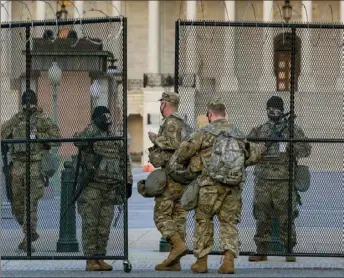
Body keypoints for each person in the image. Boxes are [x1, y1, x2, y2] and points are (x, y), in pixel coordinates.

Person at [176, 97, 266, 274]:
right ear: (225, 114)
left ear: (210, 114)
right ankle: (228, 262)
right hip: (232, 187)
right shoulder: (238, 133)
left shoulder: (203, 133)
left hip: (209, 187)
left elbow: (183, 152)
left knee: (203, 220)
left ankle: (201, 262)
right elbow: (253, 156)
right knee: (229, 223)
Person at [247, 96, 311, 262]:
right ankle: (261, 250)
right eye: (271, 108)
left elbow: (306, 150)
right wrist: (258, 149)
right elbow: (247, 148)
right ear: (267, 109)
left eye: (277, 108)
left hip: (284, 181)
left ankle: (289, 250)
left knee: (286, 217)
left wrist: (291, 144)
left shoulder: (292, 129)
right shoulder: (259, 130)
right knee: (261, 216)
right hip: (263, 181)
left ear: (282, 111)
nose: (273, 111)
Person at [73, 106, 133, 271]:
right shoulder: (90, 136)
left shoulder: (114, 140)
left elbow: (124, 162)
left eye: (107, 117)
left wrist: (128, 183)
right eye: (102, 118)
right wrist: (94, 125)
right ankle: (90, 260)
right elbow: (78, 140)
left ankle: (100, 257)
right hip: (92, 187)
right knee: (90, 224)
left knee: (104, 226)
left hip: (110, 188)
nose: (106, 121)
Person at [0, 89, 61, 252]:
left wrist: (37, 135)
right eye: (25, 102)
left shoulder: (43, 119)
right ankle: (28, 232)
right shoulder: (17, 119)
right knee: (17, 205)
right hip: (18, 165)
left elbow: (57, 138)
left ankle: (28, 238)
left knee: (30, 202)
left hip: (35, 164)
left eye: (31, 102)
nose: (28, 105)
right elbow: (2, 132)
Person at [147, 92, 188, 271]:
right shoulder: (183, 123)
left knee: (161, 215)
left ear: (166, 104)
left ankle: (177, 246)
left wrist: (155, 138)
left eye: (162, 102)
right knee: (178, 217)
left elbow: (172, 143)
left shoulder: (172, 122)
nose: (160, 106)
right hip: (181, 176)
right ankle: (174, 261)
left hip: (171, 177)